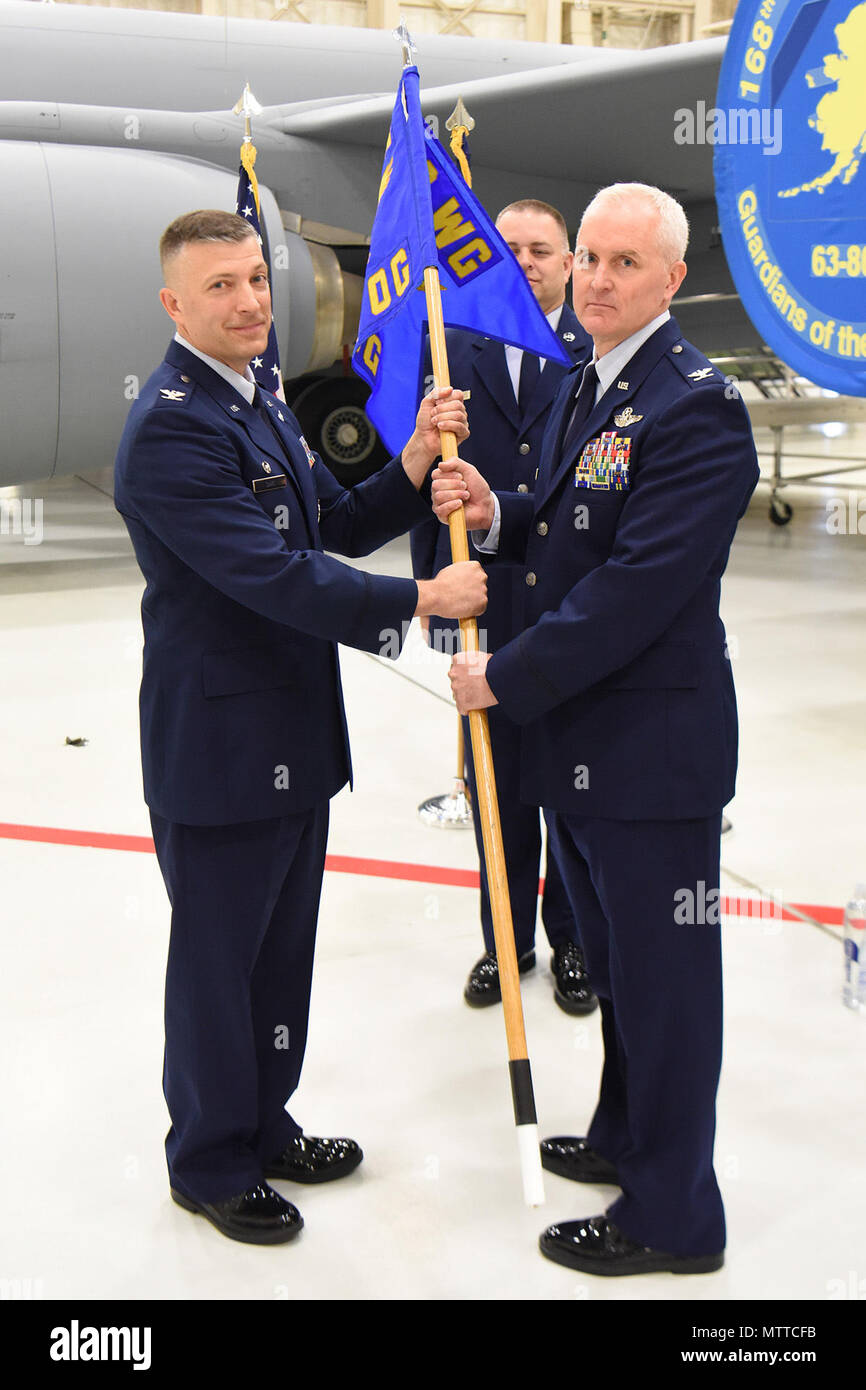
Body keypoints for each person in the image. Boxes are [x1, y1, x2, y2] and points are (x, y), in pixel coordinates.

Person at [114, 209, 486, 1246]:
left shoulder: (260, 396)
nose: (247, 302)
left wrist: (409, 462)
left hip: (288, 730)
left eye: (252, 280)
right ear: (173, 305)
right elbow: (278, 577)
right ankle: (209, 1161)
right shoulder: (175, 426)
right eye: (219, 287)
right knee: (217, 963)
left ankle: (263, 1121)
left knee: (279, 955)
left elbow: (328, 523)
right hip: (220, 745)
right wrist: (421, 602)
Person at [435, 183, 759, 1277]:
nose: (599, 279)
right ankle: (626, 1136)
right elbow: (573, 521)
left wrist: (505, 678)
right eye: (589, 259)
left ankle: (674, 1216)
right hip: (587, 744)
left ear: (672, 278)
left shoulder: (694, 405)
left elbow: (636, 586)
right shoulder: (595, 380)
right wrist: (496, 510)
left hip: (649, 757)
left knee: (666, 990)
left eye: (627, 263)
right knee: (620, 968)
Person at [411, 200, 597, 1014]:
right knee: (499, 789)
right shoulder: (451, 349)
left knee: (573, 791)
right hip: (484, 608)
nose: (523, 261)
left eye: (541, 250)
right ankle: (505, 943)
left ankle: (577, 945)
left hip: (569, 617)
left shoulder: (599, 354)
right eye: (507, 248)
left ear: (567, 262)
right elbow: (432, 488)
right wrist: (437, 600)